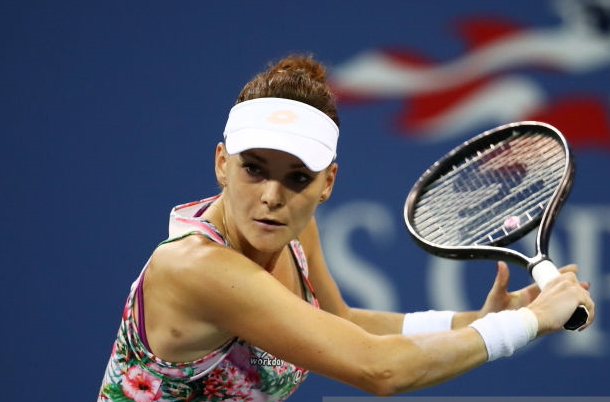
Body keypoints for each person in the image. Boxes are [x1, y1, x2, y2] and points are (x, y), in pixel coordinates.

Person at [97, 54, 595, 402]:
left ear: (327, 182)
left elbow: (342, 323)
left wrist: (477, 320)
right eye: (254, 168)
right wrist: (530, 324)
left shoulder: (288, 228)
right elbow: (379, 368)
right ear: (221, 163)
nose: (272, 196)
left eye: (298, 178)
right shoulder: (195, 268)